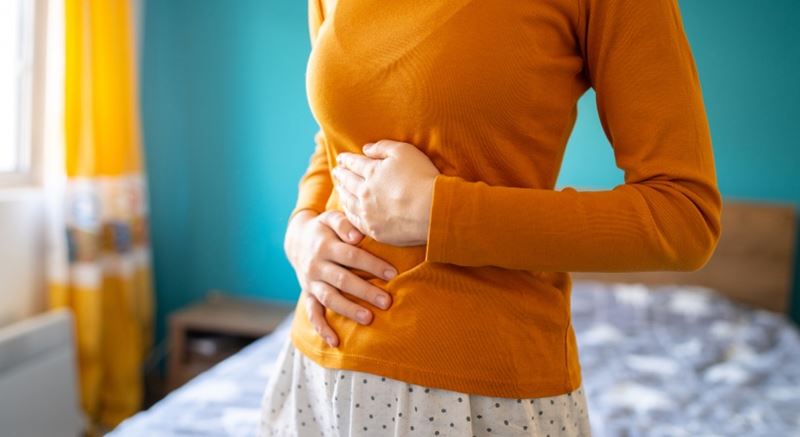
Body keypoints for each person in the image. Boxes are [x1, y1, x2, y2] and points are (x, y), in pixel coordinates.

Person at [261, 0, 721, 435]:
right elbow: (338, 134)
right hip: (317, 374)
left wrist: (442, 213)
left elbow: (683, 217)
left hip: (482, 396)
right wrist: (301, 225)